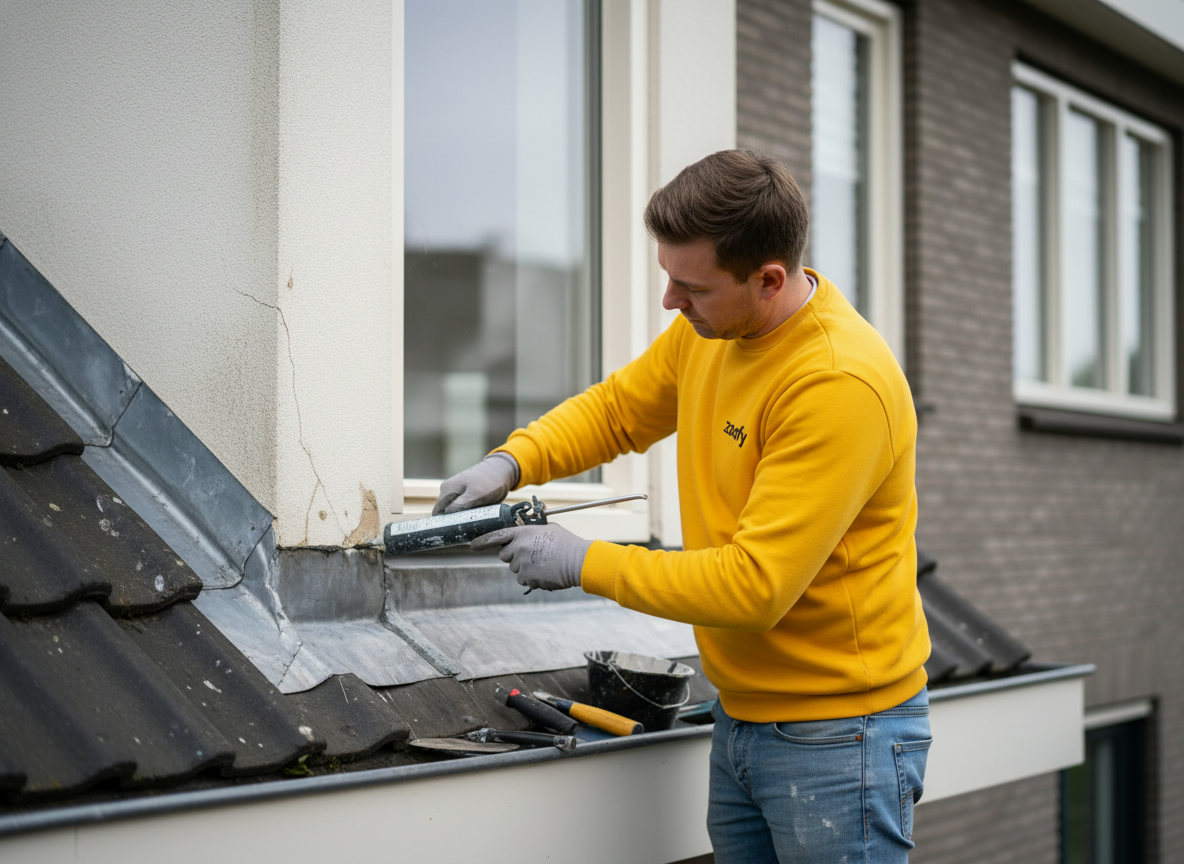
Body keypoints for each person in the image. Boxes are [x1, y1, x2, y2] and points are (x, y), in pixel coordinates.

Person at [433, 149, 932, 863]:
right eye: (669, 276)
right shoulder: (716, 329)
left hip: (840, 734)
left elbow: (754, 587)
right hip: (744, 717)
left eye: (691, 285)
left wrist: (583, 561)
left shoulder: (836, 382)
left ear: (768, 279)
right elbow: (617, 411)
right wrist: (512, 462)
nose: (671, 300)